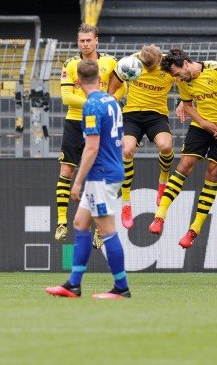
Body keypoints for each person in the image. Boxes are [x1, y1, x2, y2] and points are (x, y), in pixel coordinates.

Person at [46, 60, 130, 299]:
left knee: (107, 230)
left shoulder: (92, 106)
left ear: (79, 82)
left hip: (100, 175)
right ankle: (73, 284)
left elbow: (91, 149)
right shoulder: (111, 101)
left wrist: (78, 180)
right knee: (81, 224)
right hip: (111, 170)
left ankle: (121, 288)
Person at [148, 49, 217, 249]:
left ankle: (194, 229)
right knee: (184, 165)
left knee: (212, 173)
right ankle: (159, 216)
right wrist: (203, 122)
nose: (175, 77)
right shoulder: (183, 81)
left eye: (175, 72)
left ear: (186, 63)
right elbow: (188, 105)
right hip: (202, 126)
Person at [54, 23, 125, 248]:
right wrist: (95, 103)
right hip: (76, 121)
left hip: (101, 123)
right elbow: (66, 97)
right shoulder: (70, 64)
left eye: (88, 40)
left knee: (101, 174)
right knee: (67, 169)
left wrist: (108, 99)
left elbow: (123, 89)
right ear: (78, 42)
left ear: (97, 41)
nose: (85, 44)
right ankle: (62, 221)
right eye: (81, 41)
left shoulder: (110, 62)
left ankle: (99, 229)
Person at [108, 44, 175, 228]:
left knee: (166, 146)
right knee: (126, 150)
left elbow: (187, 80)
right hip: (132, 114)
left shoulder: (169, 66)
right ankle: (126, 203)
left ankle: (163, 181)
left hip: (156, 115)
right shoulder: (131, 62)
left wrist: (185, 102)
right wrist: (109, 101)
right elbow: (113, 83)